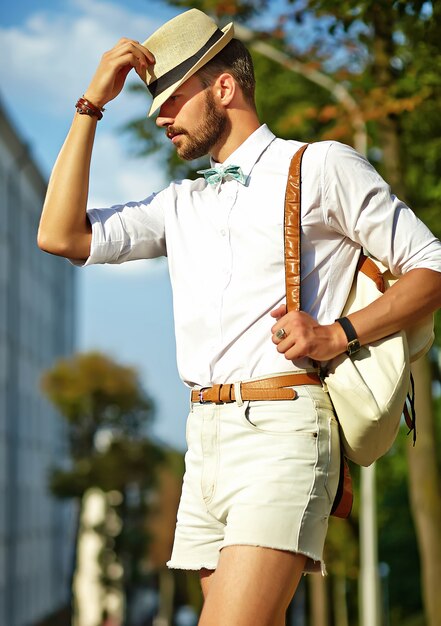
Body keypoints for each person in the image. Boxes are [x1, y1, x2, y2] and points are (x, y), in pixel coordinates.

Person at [38, 8, 441, 626]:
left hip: (284, 430)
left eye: (171, 100)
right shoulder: (181, 202)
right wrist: (89, 105)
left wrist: (339, 333)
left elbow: (430, 264)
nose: (162, 118)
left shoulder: (321, 166)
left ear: (222, 87)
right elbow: (60, 236)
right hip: (203, 440)